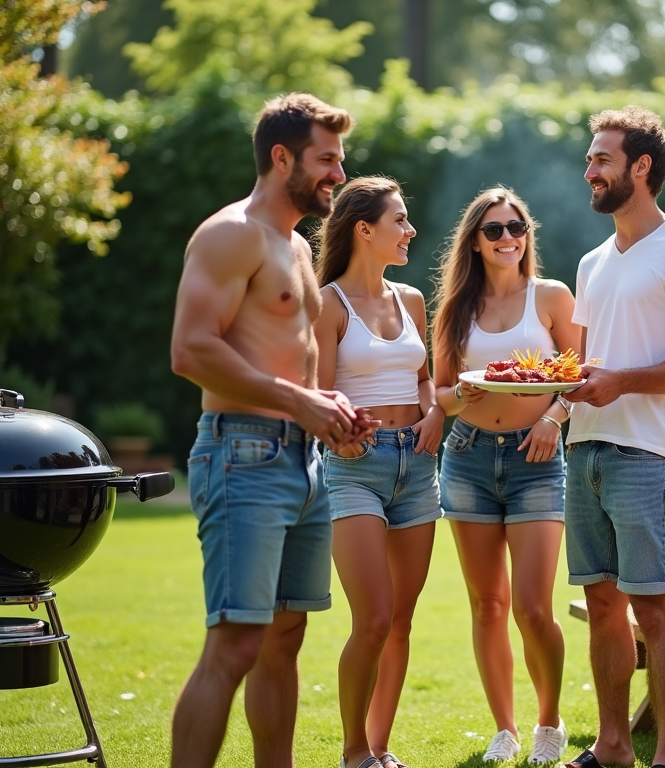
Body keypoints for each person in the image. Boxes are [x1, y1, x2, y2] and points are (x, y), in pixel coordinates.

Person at [169, 92, 375, 768]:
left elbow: (290, 362)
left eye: (339, 161)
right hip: (242, 453)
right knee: (233, 645)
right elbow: (191, 348)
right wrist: (300, 400)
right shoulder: (231, 235)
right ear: (280, 157)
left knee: (284, 638)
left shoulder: (293, 246)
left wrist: (331, 415)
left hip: (303, 460)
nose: (337, 176)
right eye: (325, 161)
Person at [561, 106, 665, 768]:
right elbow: (577, 365)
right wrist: (545, 393)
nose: (590, 169)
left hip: (646, 455)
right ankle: (613, 746)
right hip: (584, 449)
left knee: (652, 611)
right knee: (602, 606)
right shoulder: (591, 262)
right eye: (591, 159)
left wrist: (622, 380)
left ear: (642, 166)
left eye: (601, 159)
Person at [432, 186, 580, 764]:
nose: (507, 238)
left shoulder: (550, 296)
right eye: (494, 229)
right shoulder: (454, 309)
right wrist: (457, 394)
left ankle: (549, 723)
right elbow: (440, 393)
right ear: (475, 240)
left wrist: (553, 419)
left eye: (516, 227)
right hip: (467, 453)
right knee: (487, 604)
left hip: (537, 459)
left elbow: (580, 375)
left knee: (533, 607)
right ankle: (505, 728)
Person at [312, 176, 444, 768]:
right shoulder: (327, 303)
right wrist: (343, 442)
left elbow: (422, 378)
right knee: (373, 618)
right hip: (354, 467)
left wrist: (437, 410)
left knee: (401, 620)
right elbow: (317, 393)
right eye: (400, 221)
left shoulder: (411, 299)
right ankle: (353, 751)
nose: (411, 230)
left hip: (416, 464)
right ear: (364, 230)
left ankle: (381, 747)